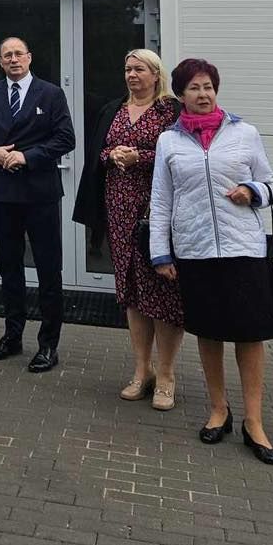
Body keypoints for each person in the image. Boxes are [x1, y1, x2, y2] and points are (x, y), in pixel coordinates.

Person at [148, 57, 273, 465]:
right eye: (194, 88)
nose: (203, 94)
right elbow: (161, 199)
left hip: (243, 249)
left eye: (208, 87)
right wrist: (160, 252)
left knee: (249, 334)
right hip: (196, 250)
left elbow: (270, 184)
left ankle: (254, 421)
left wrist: (252, 191)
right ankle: (219, 410)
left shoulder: (244, 133)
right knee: (209, 333)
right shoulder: (168, 141)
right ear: (180, 95)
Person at [72, 50, 183, 409]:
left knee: (162, 292)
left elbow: (181, 155)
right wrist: (112, 155)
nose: (132, 75)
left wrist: (141, 157)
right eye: (127, 69)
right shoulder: (114, 109)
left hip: (157, 212)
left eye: (139, 69)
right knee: (131, 291)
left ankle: (166, 375)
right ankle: (141, 370)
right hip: (118, 211)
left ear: (156, 74)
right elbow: (98, 152)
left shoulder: (170, 111)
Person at [0, 36, 75, 372]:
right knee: (10, 268)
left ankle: (48, 344)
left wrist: (27, 157)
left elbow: (66, 138)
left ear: (29, 58)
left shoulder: (51, 93)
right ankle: (12, 336)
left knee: (48, 269)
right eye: (7, 55)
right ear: (0, 62)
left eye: (18, 54)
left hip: (40, 193)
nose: (13, 59)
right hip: (4, 193)